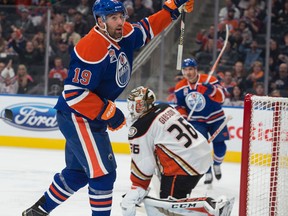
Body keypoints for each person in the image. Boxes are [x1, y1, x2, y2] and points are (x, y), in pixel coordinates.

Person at [22, 0, 195, 215]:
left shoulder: (124, 33)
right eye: (114, 18)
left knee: (78, 172)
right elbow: (74, 94)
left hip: (88, 116)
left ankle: (37, 211)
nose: (120, 21)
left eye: (122, 16)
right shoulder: (90, 47)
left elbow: (147, 28)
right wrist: (110, 113)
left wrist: (171, 9)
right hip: (78, 116)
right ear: (100, 21)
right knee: (103, 175)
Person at [121, 86, 232, 216]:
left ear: (146, 104)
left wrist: (137, 186)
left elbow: (144, 162)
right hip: (200, 153)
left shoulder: (140, 128)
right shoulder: (164, 107)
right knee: (176, 201)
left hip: (184, 166)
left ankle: (211, 209)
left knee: (169, 210)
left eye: (138, 105)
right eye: (132, 104)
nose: (133, 109)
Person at [174, 58, 230, 185]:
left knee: (220, 147)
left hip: (216, 117)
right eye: (185, 70)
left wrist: (212, 91)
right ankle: (208, 171)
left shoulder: (209, 80)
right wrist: (183, 116)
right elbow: (179, 106)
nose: (188, 73)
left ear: (196, 69)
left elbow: (222, 98)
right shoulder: (179, 87)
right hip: (196, 121)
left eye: (191, 69)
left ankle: (217, 164)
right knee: (201, 149)